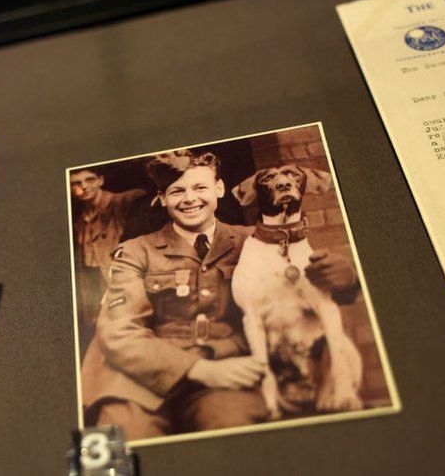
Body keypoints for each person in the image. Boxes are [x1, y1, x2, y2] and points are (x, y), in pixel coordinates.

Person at [80, 150, 359, 440]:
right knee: (125, 440)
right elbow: (119, 331)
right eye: (177, 191)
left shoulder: (257, 241)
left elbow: (305, 299)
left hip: (228, 372)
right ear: (162, 198)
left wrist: (345, 280)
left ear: (219, 188)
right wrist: (195, 368)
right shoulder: (136, 251)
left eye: (200, 187)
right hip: (141, 380)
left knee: (234, 429)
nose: (189, 199)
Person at [70, 167, 147, 329]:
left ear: (100, 180)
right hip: (94, 284)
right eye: (75, 183)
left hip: (121, 279)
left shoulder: (124, 201)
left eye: (89, 179)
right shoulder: (79, 220)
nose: (83, 186)